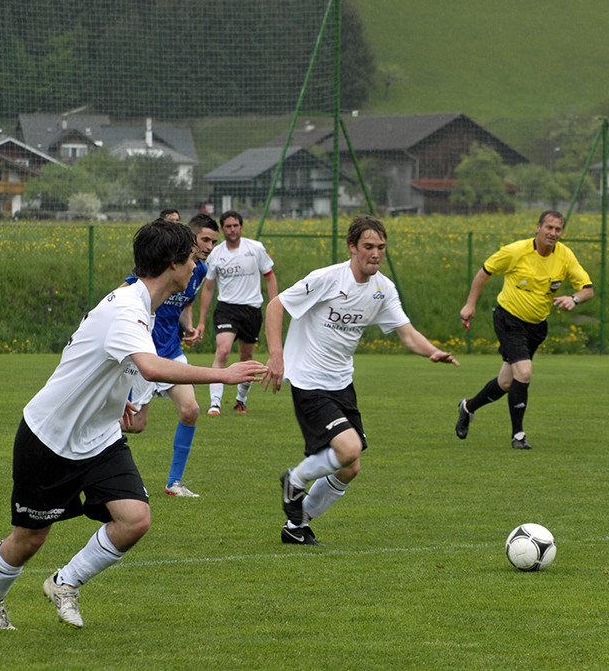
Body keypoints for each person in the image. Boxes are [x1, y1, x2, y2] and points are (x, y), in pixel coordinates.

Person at [0, 219, 265, 630]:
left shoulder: (140, 302)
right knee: (30, 537)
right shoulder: (128, 307)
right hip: (51, 437)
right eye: (194, 258)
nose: (198, 265)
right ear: (174, 263)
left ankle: (65, 582)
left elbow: (104, 358)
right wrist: (223, 375)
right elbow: (149, 365)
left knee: (135, 518)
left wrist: (116, 395)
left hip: (101, 437)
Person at [264, 215, 458, 546]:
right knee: (348, 447)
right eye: (368, 246)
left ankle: (297, 527)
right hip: (309, 380)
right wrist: (276, 355)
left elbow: (407, 333)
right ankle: (294, 480)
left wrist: (432, 352)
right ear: (352, 247)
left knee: (350, 467)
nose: (375, 254)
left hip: (342, 383)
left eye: (381, 247)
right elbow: (276, 305)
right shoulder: (327, 279)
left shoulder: (383, 289)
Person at [454, 210, 593, 449]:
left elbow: (588, 288)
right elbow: (484, 272)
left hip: (537, 326)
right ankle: (518, 435)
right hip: (509, 319)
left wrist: (574, 299)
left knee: (507, 382)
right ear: (537, 228)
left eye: (558, 229)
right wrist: (470, 304)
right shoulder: (516, 251)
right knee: (525, 373)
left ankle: (468, 407)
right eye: (549, 227)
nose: (553, 233)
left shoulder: (565, 256)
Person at [121, 213, 219, 498]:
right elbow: (128, 289)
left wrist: (188, 326)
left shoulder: (197, 271)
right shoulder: (163, 266)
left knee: (191, 410)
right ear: (190, 238)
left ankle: (174, 483)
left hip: (172, 351)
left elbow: (183, 303)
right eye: (204, 240)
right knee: (136, 425)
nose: (210, 246)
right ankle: (95, 437)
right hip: (145, 354)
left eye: (214, 241)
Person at [198, 210, 278, 415]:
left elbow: (269, 276)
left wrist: (274, 304)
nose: (232, 229)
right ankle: (215, 402)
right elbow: (208, 287)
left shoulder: (256, 249)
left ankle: (241, 400)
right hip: (226, 308)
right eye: (228, 226)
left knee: (246, 357)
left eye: (235, 226)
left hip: (251, 309)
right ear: (222, 229)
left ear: (241, 227)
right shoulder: (216, 254)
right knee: (223, 350)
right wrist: (201, 320)